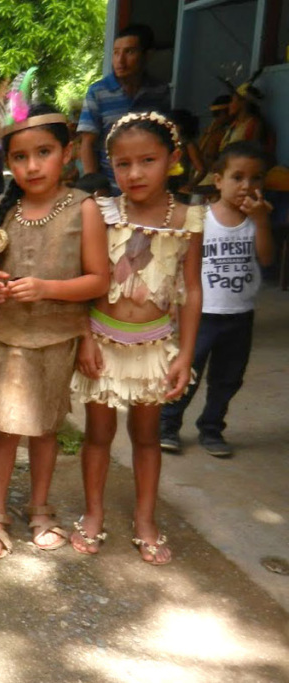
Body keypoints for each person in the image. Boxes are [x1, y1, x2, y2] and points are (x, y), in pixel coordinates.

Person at [0, 93, 110, 559]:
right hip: (7, 334)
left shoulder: (83, 208)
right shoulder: (6, 210)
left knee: (45, 428)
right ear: (8, 161)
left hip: (56, 335)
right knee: (4, 429)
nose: (32, 166)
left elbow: (99, 279)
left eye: (44, 153)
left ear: (67, 152)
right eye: (20, 157)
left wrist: (47, 288)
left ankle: (40, 508)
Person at [71, 112, 205, 565]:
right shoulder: (104, 212)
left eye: (147, 160)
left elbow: (191, 290)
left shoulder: (187, 218)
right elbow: (86, 277)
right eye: (122, 164)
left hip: (153, 347)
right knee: (98, 433)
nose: (134, 173)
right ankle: (93, 513)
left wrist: (185, 352)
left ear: (173, 159)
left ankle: (146, 519)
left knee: (147, 436)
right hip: (102, 342)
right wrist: (85, 337)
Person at [160, 141, 273, 458]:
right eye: (237, 177)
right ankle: (168, 425)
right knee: (187, 373)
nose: (247, 186)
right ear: (218, 179)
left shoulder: (257, 220)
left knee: (228, 378)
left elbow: (265, 259)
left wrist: (263, 222)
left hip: (240, 315)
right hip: (202, 315)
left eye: (256, 179)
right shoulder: (200, 219)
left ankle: (211, 428)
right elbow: (179, 264)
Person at [77, 24, 171, 194]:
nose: (120, 60)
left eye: (129, 52)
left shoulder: (159, 91)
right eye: (116, 52)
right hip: (109, 189)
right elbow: (87, 143)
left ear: (147, 55)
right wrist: (95, 186)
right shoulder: (98, 92)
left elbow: (165, 138)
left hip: (148, 188)